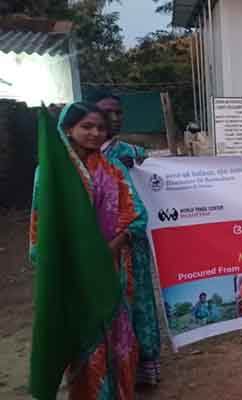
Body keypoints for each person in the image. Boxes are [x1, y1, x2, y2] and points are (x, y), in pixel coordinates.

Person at [30, 102, 144, 399]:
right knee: (84, 336)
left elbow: (136, 215)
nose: (95, 133)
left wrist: (112, 247)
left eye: (100, 128)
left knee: (118, 336)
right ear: (68, 129)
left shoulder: (114, 170)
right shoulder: (50, 173)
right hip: (74, 271)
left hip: (111, 266)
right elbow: (42, 225)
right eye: (87, 126)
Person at [89, 90, 162, 385]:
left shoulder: (135, 154)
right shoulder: (76, 159)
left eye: (118, 112)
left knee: (139, 300)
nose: (114, 118)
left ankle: (144, 363)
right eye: (106, 111)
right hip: (93, 244)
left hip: (132, 242)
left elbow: (161, 180)